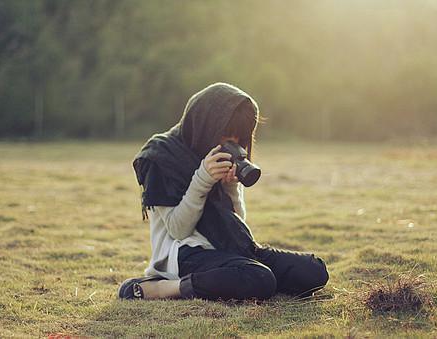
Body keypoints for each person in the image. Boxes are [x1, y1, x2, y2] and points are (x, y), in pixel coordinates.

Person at [119, 82, 329, 301]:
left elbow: (238, 222)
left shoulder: (216, 154)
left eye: (239, 137)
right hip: (184, 253)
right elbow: (178, 230)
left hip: (228, 247)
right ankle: (162, 288)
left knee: (313, 271)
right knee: (260, 279)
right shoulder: (161, 156)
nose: (233, 143)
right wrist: (202, 179)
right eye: (227, 135)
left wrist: (231, 186)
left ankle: (230, 279)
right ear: (205, 125)